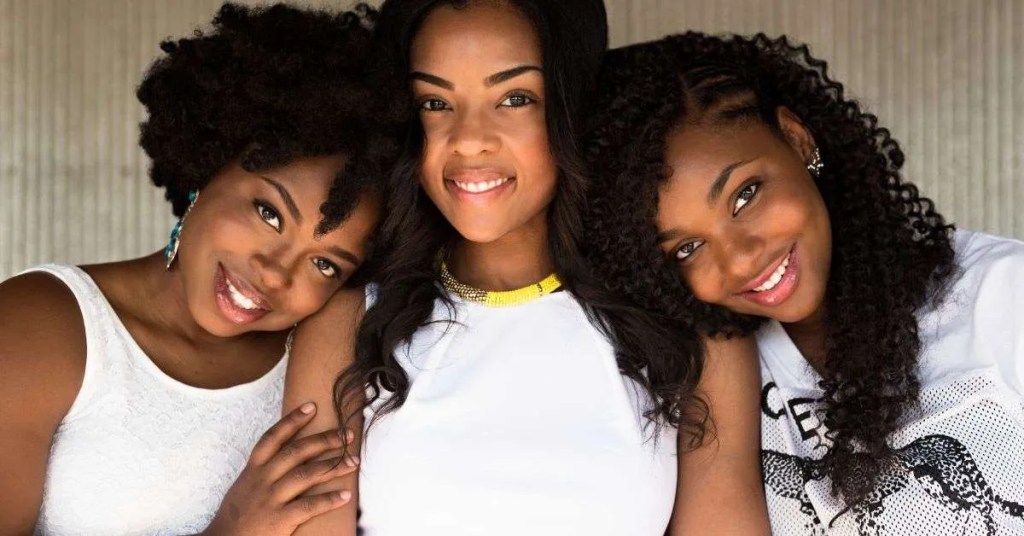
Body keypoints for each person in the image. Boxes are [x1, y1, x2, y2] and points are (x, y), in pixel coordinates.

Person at [283, 2, 768, 535]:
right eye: (435, 103)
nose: (469, 139)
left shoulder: (687, 322)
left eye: (514, 98)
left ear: (569, 106)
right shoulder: (350, 320)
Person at [583, 32, 1024, 535]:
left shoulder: (1004, 297)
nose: (740, 258)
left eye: (745, 195)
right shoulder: (704, 374)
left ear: (797, 139)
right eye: (687, 248)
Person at [0, 3, 401, 534]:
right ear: (207, 168)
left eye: (325, 264)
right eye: (269, 213)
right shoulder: (41, 323)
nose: (275, 273)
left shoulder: (322, 358)